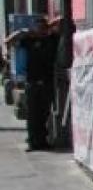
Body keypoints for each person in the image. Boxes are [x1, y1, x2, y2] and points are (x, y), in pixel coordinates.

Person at [4, 15, 61, 151]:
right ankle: (32, 142)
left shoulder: (52, 39)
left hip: (47, 82)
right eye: (38, 26)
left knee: (44, 113)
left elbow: (63, 21)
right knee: (32, 115)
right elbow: (8, 42)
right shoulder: (29, 40)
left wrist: (51, 23)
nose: (40, 29)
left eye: (43, 26)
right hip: (32, 82)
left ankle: (43, 141)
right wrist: (22, 32)